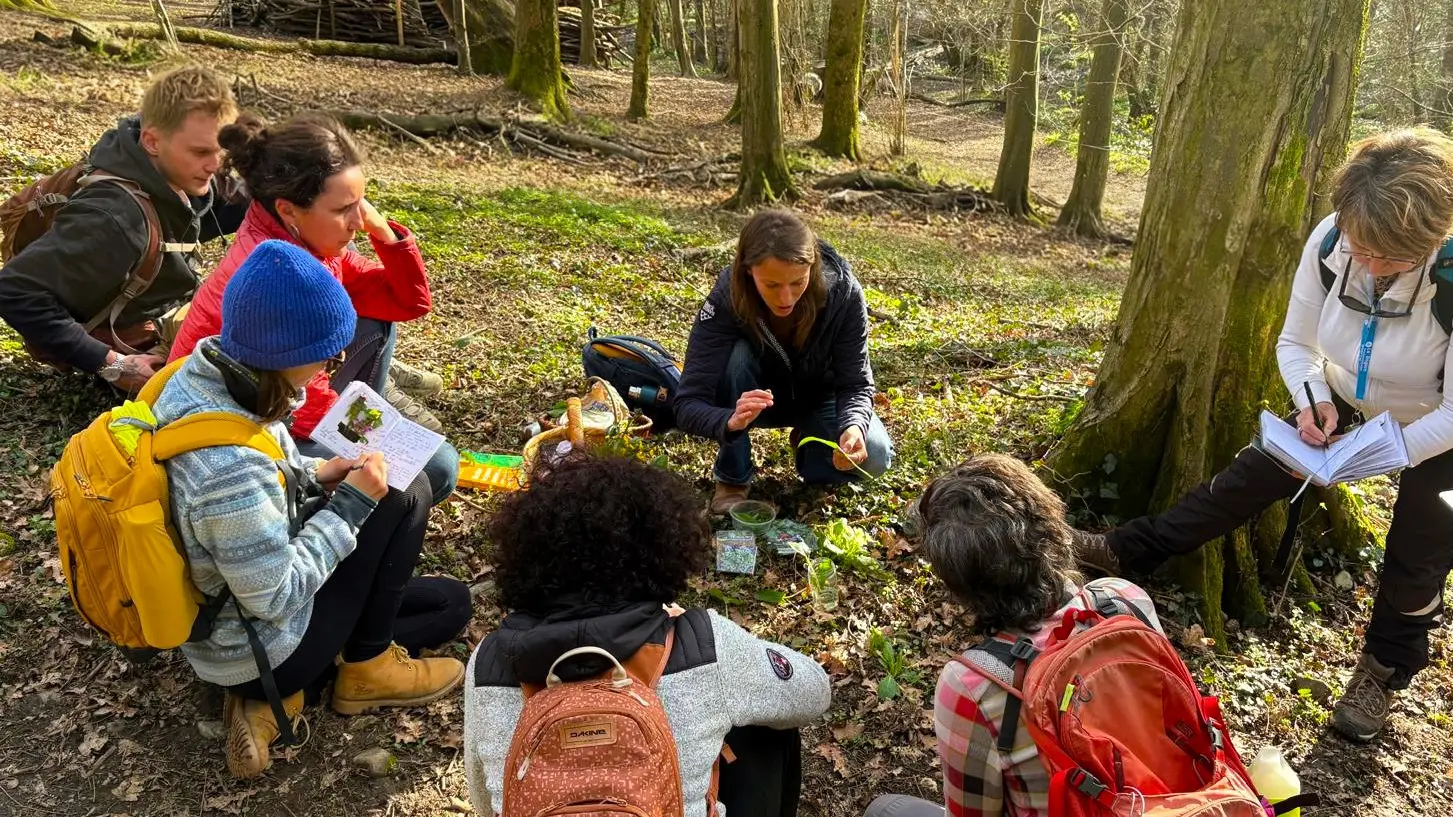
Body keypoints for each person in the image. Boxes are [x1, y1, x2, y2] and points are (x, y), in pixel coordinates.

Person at [1076, 127, 1453, 743]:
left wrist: (1385, 454)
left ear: (1431, 240)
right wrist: (1313, 401)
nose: (1370, 266)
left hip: (1438, 422)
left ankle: (1382, 672)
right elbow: (1296, 343)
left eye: (1391, 258)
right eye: (1361, 249)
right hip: (1343, 395)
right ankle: (1128, 550)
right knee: (1251, 474)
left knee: (1420, 550)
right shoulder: (1331, 241)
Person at [153, 239, 471, 779]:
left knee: (449, 602)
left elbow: (266, 469)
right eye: (328, 357)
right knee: (406, 491)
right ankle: (353, 672)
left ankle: (279, 700)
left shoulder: (211, 377)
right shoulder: (229, 470)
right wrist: (351, 504)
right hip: (255, 644)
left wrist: (315, 473)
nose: (330, 368)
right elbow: (275, 594)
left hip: (232, 610)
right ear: (286, 353)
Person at [464, 453, 831, 817]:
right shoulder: (703, 645)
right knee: (768, 720)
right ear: (662, 550)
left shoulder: (488, 662)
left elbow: (486, 799)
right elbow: (813, 693)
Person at [167, 113, 458, 505]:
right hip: (232, 429)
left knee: (377, 320)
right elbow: (304, 405)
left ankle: (374, 410)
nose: (358, 222)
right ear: (288, 209)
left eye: (361, 203)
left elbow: (406, 300)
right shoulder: (277, 273)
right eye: (343, 209)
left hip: (285, 396)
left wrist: (384, 232)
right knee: (436, 469)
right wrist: (377, 437)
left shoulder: (308, 241)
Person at [865, 454, 1167, 817]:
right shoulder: (1124, 600)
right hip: (1170, 802)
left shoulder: (972, 686)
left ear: (959, 583)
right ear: (1053, 526)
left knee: (886, 810)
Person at [0, 65, 247, 393]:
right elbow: (14, 291)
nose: (214, 165)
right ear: (152, 141)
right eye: (201, 152)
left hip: (151, 305)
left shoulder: (175, 170)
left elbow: (236, 203)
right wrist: (113, 365)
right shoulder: (112, 218)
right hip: (118, 338)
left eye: (220, 150)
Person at [674, 209, 893, 514]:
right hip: (750, 402)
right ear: (749, 271)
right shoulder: (727, 297)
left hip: (818, 397)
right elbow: (687, 403)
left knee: (876, 457)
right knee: (736, 357)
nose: (786, 298)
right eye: (772, 285)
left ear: (812, 267)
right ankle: (732, 479)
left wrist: (853, 426)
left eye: (798, 282)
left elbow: (855, 382)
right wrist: (729, 421)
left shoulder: (843, 293)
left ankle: (810, 447)